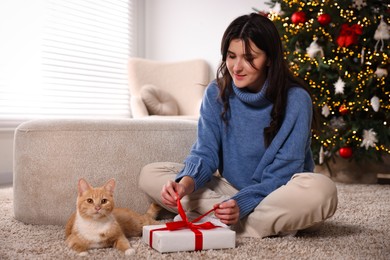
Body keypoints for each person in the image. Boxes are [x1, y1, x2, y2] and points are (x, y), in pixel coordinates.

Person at [139, 13, 338, 238]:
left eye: (249, 57)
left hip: (278, 191)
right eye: (231, 56)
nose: (237, 67)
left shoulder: (297, 100)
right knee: (150, 174)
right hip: (230, 189)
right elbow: (205, 153)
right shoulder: (216, 93)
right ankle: (254, 223)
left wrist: (242, 204)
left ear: (270, 58)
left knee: (322, 192)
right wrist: (185, 184)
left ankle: (221, 220)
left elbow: (283, 173)